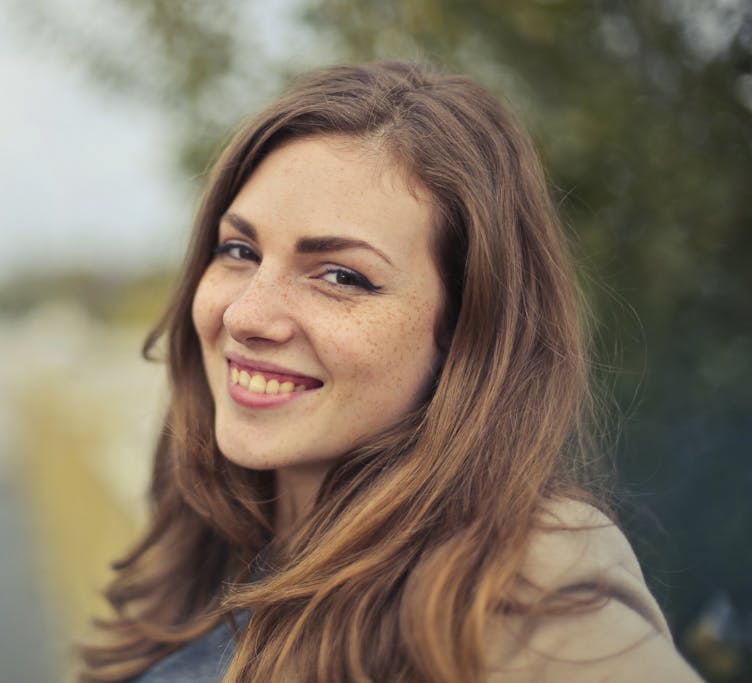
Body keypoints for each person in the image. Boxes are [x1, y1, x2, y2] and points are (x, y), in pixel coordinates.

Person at [79, 61, 702, 682]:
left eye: (342, 276)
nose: (247, 315)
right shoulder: (212, 539)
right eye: (239, 251)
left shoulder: (523, 580)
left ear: (466, 333)